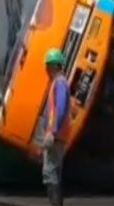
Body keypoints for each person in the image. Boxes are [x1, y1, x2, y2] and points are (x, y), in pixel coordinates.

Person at [42, 48, 70, 206]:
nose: (46, 69)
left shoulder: (59, 84)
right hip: (58, 136)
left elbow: (59, 109)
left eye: (47, 65)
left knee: (50, 174)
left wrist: (52, 132)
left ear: (53, 66)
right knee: (55, 174)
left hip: (56, 137)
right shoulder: (59, 83)